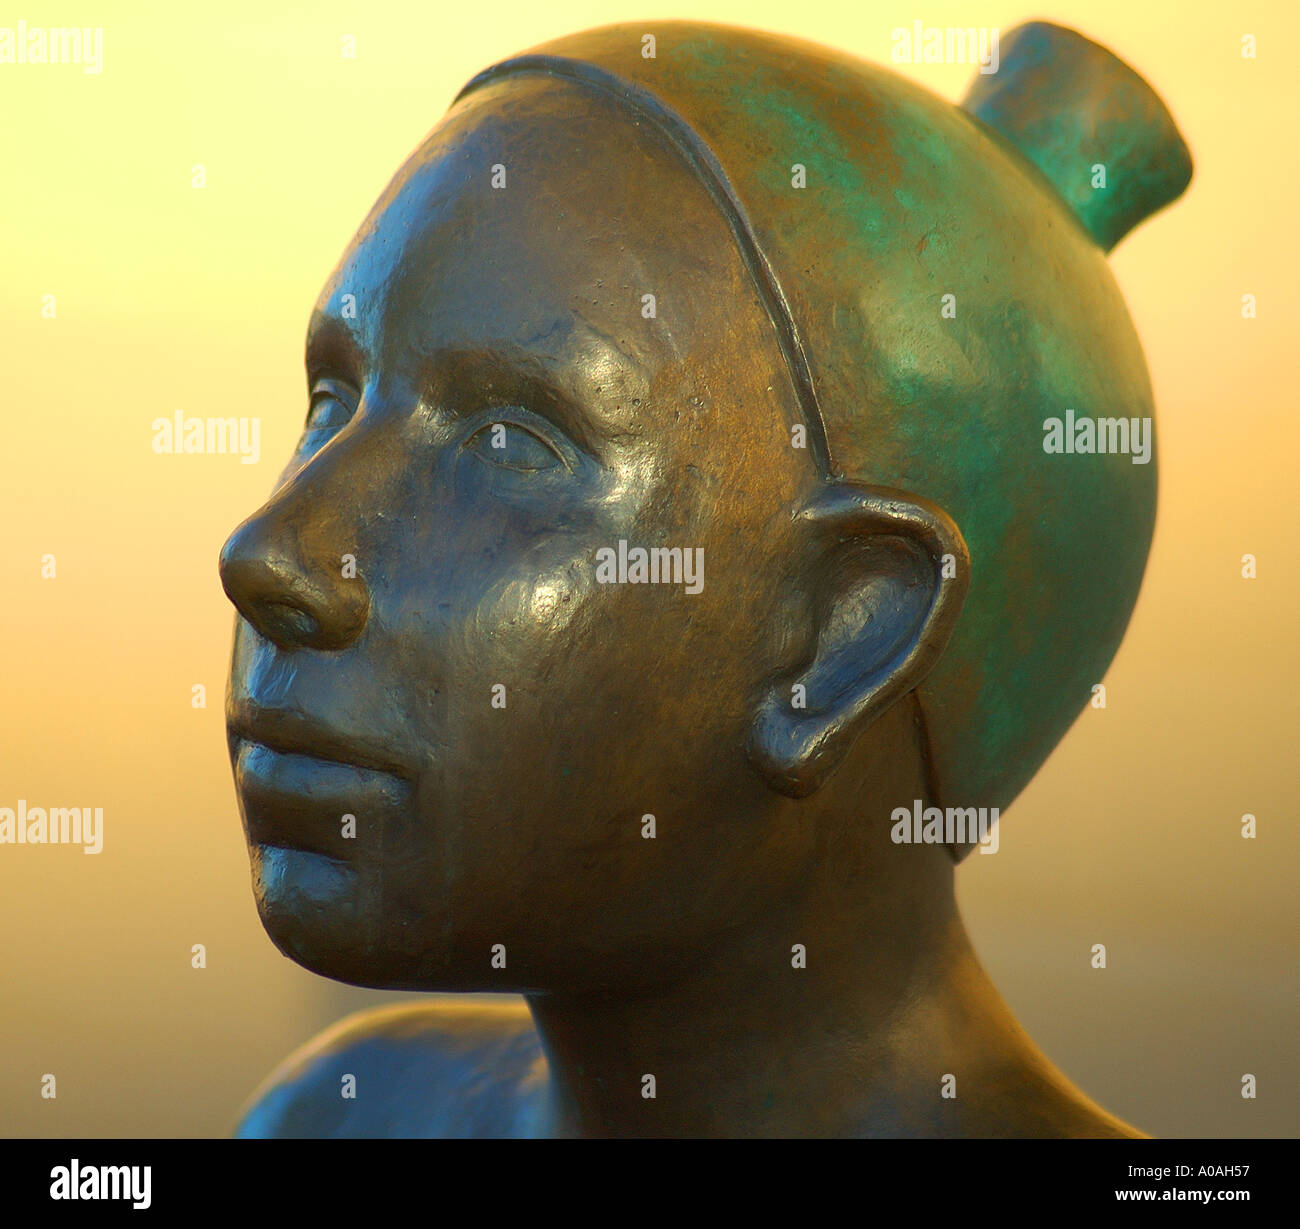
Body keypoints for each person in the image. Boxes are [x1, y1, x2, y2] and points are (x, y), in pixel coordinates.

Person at [219, 19, 1191, 1137]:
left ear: (839, 635)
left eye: (509, 440)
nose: (271, 553)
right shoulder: (338, 1120)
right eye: (332, 401)